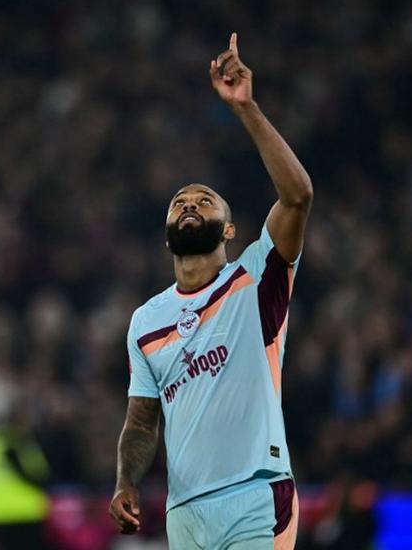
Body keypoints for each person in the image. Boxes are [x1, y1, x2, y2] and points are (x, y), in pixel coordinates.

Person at [109, 33, 313, 549]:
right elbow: (141, 422)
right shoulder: (146, 319)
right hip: (185, 510)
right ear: (166, 230)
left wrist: (246, 110)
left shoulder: (256, 277)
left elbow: (298, 195)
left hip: (256, 494)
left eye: (204, 199)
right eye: (180, 202)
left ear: (229, 229)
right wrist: (126, 481)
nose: (190, 204)